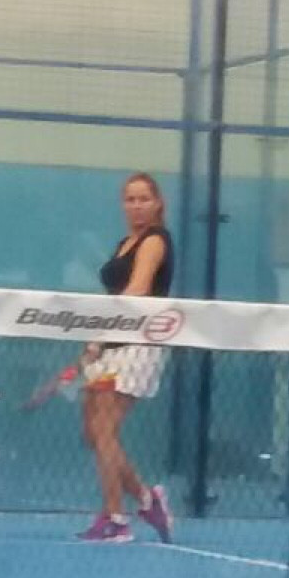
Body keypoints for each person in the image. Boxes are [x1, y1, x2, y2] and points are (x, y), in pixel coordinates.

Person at [78, 171, 176, 546]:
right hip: (112, 342)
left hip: (138, 345)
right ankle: (148, 500)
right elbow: (115, 296)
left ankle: (116, 518)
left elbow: (137, 290)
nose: (136, 206)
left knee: (105, 430)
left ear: (158, 203)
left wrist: (103, 337)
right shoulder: (125, 243)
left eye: (143, 199)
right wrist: (98, 339)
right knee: (93, 431)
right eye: (130, 199)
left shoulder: (155, 241)